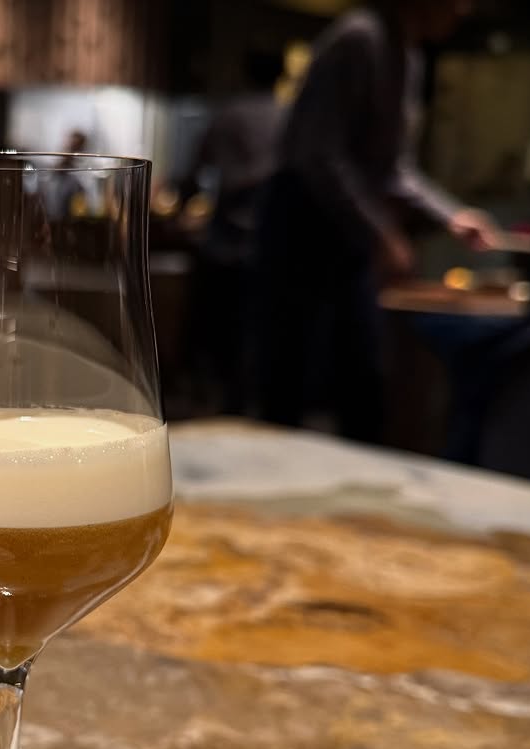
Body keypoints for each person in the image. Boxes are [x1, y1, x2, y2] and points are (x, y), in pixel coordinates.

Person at [252, 0, 498, 443]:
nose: (464, 10)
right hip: (302, 221)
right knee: (288, 379)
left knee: (362, 379)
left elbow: (393, 168)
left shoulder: (410, 56)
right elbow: (319, 156)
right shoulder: (360, 37)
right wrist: (381, 231)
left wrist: (452, 216)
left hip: (346, 228)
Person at [186, 54, 284, 414]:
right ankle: (246, 405)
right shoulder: (286, 116)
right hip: (268, 244)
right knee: (257, 334)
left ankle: (218, 401)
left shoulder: (228, 114)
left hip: (223, 243)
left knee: (217, 330)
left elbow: (198, 165)